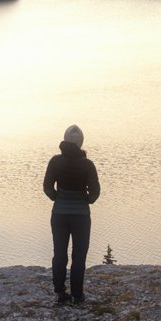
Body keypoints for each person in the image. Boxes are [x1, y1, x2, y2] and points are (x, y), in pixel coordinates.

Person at [42, 123, 100, 305]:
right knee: (79, 256)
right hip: (81, 216)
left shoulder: (55, 161)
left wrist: (57, 198)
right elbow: (95, 192)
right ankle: (77, 295)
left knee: (59, 254)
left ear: (65, 140)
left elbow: (47, 187)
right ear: (81, 142)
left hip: (59, 214)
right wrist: (85, 200)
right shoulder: (87, 164)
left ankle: (60, 292)